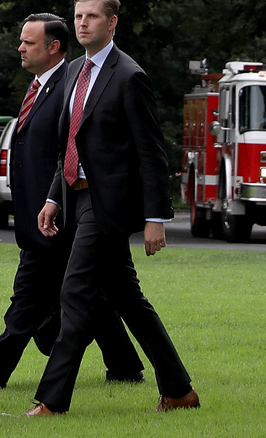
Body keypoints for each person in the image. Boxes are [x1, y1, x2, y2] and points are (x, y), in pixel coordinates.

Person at [24, 0, 199, 416]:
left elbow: (151, 153)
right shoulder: (72, 71)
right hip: (76, 196)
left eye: (93, 16)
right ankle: (179, 391)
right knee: (127, 298)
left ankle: (52, 402)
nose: (83, 23)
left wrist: (156, 218)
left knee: (74, 293)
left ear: (112, 22)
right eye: (78, 16)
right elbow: (70, 143)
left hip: (109, 206)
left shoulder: (129, 76)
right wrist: (53, 197)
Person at [0, 13, 144, 390]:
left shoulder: (72, 85)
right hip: (42, 216)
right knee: (95, 296)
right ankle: (125, 364)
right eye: (21, 40)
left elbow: (73, 154)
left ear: (53, 47)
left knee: (29, 296)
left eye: (28, 42)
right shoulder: (40, 85)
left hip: (63, 217)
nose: (20, 48)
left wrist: (57, 204)